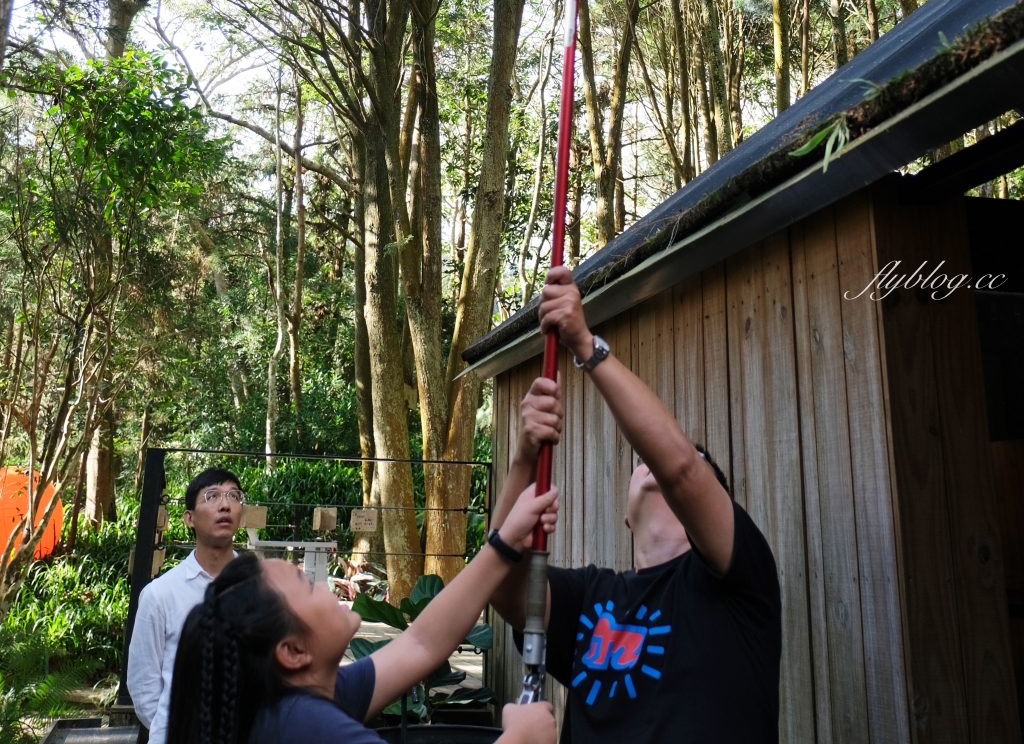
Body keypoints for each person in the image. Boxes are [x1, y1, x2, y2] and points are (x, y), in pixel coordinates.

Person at [488, 266, 782, 744]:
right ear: (625, 517)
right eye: (643, 461)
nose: (659, 464)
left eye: (696, 461)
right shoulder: (590, 597)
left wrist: (585, 344)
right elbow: (498, 582)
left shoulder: (740, 582)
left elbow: (682, 469)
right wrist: (524, 454)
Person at [165, 479, 560, 744]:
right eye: (305, 585)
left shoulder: (301, 696)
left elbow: (422, 643)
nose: (320, 584)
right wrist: (520, 738)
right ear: (293, 652)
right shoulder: (305, 726)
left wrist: (505, 542)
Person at [128, 467, 246, 744]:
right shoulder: (160, 594)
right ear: (189, 518)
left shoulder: (263, 588)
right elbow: (143, 683)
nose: (225, 504)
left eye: (234, 496)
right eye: (212, 496)